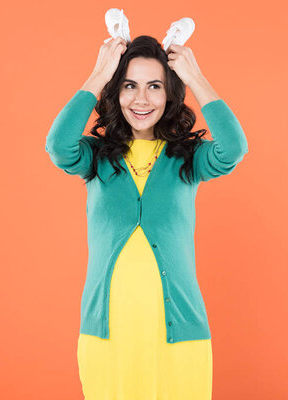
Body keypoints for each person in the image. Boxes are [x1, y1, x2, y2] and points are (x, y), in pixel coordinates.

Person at [45, 35, 248, 400]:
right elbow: (58, 145)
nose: (142, 99)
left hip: (179, 337)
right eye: (129, 86)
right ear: (116, 92)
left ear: (170, 94)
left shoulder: (189, 157)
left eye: (155, 86)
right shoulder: (96, 157)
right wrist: (100, 72)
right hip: (107, 337)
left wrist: (195, 77)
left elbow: (234, 147)